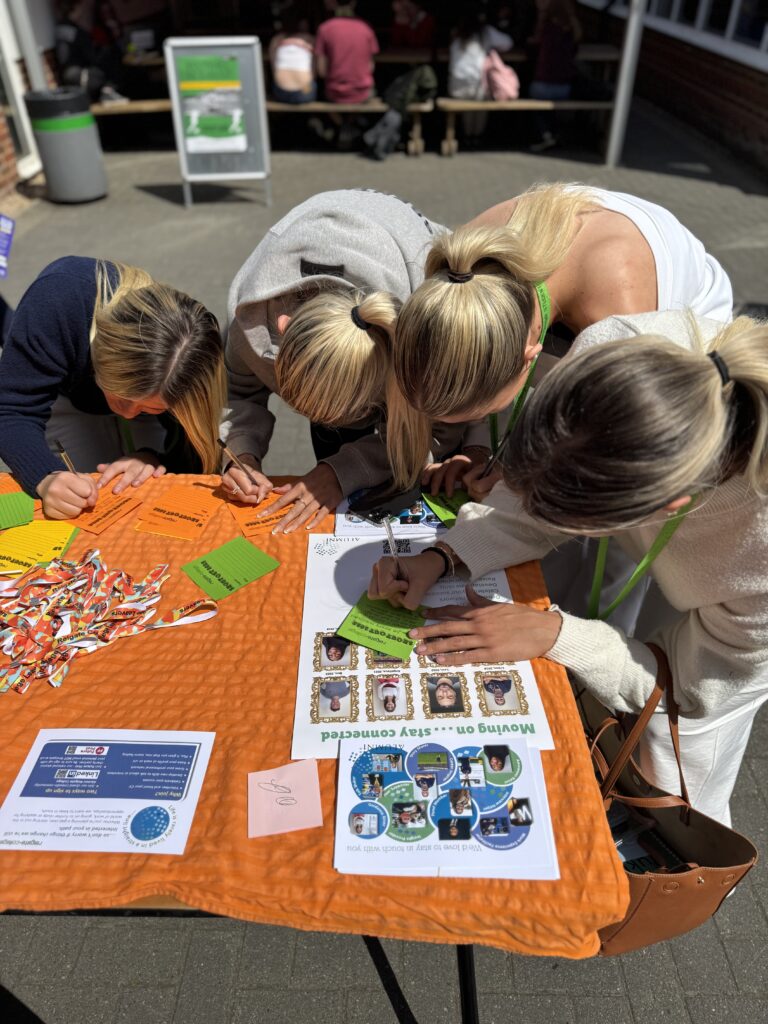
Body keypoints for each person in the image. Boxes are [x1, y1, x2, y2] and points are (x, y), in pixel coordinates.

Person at [370, 311, 768, 826]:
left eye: (567, 519)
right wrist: (444, 555)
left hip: (733, 638)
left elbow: (693, 692)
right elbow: (530, 491)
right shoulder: (610, 349)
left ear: (665, 508)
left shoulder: (755, 550)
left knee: (677, 788)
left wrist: (557, 633)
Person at [385, 182, 734, 631]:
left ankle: (606, 630)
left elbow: (606, 476)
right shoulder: (460, 273)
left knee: (609, 535)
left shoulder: (621, 326)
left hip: (673, 330)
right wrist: (484, 453)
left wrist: (564, 636)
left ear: (530, 359)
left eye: (481, 415)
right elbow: (493, 379)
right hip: (583, 298)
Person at [223, 189, 487, 533]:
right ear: (283, 330)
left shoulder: (432, 327)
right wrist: (241, 454)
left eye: (347, 412)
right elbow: (236, 392)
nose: (324, 422)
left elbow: (441, 427)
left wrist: (343, 471)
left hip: (424, 308)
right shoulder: (251, 321)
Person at [0, 257, 224, 519]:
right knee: (77, 499)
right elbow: (12, 410)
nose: (128, 413)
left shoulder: (191, 354)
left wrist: (155, 457)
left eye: (149, 408)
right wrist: (47, 476)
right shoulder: (57, 299)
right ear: (100, 360)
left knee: (159, 492)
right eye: (123, 397)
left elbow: (196, 443)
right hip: (68, 396)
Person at [448, 12, 513, 144]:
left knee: (472, 99)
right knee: (480, 97)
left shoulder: (456, 36)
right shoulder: (486, 32)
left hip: (456, 87)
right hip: (477, 88)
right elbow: (508, 43)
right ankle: (477, 136)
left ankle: (468, 135)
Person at [528, 0, 582, 152]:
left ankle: (545, 134)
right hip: (565, 87)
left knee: (531, 92)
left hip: (542, 86)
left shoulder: (547, 29)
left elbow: (532, 51)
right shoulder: (573, 32)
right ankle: (554, 132)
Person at [55, 1, 128, 105]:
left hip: (69, 75)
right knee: (113, 59)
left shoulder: (61, 28)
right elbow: (92, 57)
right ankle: (108, 93)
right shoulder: (77, 32)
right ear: (75, 8)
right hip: (80, 76)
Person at [315, 2, 379, 104]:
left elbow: (322, 71)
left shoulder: (325, 28)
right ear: (353, 3)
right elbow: (370, 67)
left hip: (334, 92)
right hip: (362, 92)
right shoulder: (366, 28)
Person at [269, 9, 317, 104]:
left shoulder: (276, 40)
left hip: (281, 92)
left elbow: (274, 68)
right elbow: (314, 71)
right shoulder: (310, 40)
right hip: (304, 93)